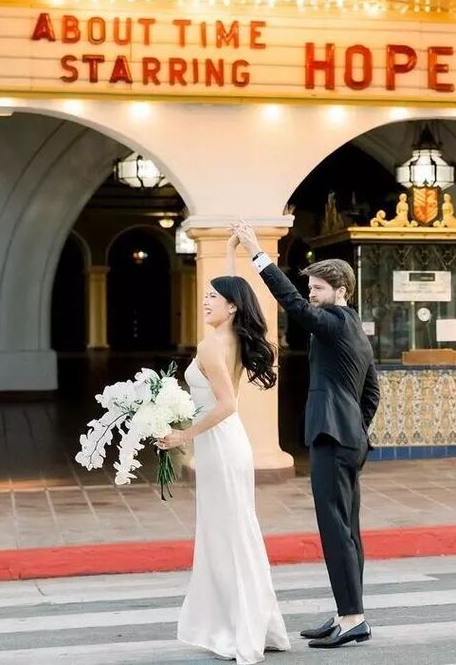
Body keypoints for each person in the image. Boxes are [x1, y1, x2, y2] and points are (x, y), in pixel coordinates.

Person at [232, 220, 380, 649]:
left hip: (333, 438)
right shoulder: (355, 329)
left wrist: (259, 253)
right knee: (347, 528)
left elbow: (294, 307)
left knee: (335, 529)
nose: (312, 295)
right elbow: (372, 392)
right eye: (311, 288)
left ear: (341, 291)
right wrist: (354, 424)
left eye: (318, 288)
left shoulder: (333, 321)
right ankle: (348, 614)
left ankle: (352, 617)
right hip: (349, 437)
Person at [155, 240, 289, 662]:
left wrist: (182, 436)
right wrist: (235, 250)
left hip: (222, 445)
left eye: (214, 296)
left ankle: (240, 629)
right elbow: (238, 286)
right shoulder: (226, 337)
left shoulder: (212, 345)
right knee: (232, 535)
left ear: (231, 307)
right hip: (227, 447)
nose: (206, 300)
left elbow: (227, 404)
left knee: (229, 537)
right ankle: (248, 624)